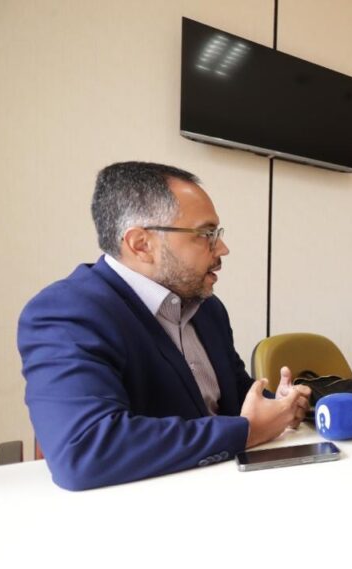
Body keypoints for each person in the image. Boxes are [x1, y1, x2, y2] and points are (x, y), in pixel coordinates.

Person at [18, 162, 311, 491]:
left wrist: (278, 405)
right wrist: (248, 431)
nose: (222, 248)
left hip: (226, 490)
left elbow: (236, 397)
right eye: (206, 234)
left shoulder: (207, 309)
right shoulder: (67, 313)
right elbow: (85, 450)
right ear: (140, 244)